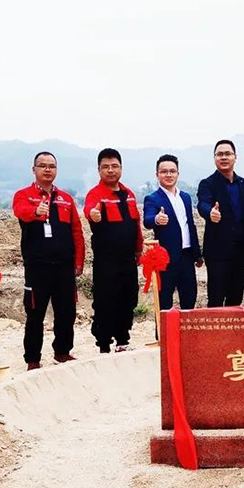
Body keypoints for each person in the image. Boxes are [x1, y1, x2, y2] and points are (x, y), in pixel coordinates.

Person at [11, 151, 85, 370]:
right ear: (33, 169)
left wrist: (78, 261)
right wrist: (35, 211)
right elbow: (20, 211)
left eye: (51, 166)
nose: (47, 170)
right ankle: (33, 359)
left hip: (64, 267)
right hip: (37, 267)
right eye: (42, 166)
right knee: (35, 313)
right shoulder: (23, 195)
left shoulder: (65, 199)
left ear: (56, 170)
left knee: (66, 311)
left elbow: (76, 231)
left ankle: (62, 352)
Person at [83, 148, 143, 354]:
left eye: (114, 166)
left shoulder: (129, 195)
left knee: (128, 298)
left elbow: (136, 225)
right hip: (106, 260)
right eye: (106, 167)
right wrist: (93, 214)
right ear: (99, 170)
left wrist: (139, 249)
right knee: (106, 300)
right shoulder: (95, 194)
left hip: (128, 259)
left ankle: (123, 339)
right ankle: (103, 343)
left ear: (121, 168)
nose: (110, 170)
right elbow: (90, 209)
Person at [197, 139, 244, 306]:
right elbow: (202, 203)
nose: (224, 157)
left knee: (236, 297)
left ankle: (233, 325)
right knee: (216, 298)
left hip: (241, 251)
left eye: (228, 154)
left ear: (235, 157)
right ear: (214, 158)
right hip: (218, 252)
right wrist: (210, 212)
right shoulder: (208, 183)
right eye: (220, 154)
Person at [143, 154, 203, 310]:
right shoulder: (152, 199)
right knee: (164, 301)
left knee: (189, 298)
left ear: (178, 174)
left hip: (187, 256)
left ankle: (186, 327)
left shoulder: (185, 197)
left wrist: (197, 254)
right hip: (166, 259)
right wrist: (157, 219)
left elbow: (191, 226)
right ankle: (163, 327)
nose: (168, 175)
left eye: (172, 171)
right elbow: (147, 220)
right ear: (157, 175)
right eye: (164, 172)